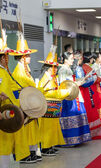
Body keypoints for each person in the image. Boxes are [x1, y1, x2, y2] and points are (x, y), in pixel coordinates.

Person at [10, 31, 41, 163]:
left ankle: (31, 150)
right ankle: (25, 153)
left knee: (31, 128)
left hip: (30, 103)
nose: (29, 57)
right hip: (24, 104)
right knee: (25, 129)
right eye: (27, 55)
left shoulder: (25, 70)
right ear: (22, 57)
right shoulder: (19, 72)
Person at [0, 38, 30, 167]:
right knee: (3, 145)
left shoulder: (5, 72)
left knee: (6, 144)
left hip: (7, 111)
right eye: (5, 57)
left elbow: (13, 88)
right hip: (2, 111)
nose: (7, 60)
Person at [38, 48, 72, 154]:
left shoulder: (52, 78)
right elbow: (49, 93)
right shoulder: (45, 79)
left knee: (52, 127)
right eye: (55, 68)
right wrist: (65, 92)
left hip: (53, 106)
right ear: (49, 69)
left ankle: (50, 145)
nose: (56, 70)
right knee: (47, 128)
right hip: (48, 106)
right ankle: (45, 147)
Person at [58, 51, 92, 146]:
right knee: (70, 116)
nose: (73, 60)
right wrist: (79, 82)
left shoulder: (67, 69)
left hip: (73, 93)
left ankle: (77, 138)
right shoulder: (63, 70)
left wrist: (79, 81)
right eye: (71, 59)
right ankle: (70, 140)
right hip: (68, 96)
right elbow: (65, 85)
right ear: (65, 60)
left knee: (77, 114)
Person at [80, 52, 101, 135]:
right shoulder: (88, 67)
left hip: (92, 88)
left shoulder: (85, 67)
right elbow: (94, 79)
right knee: (97, 106)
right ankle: (100, 127)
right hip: (92, 88)